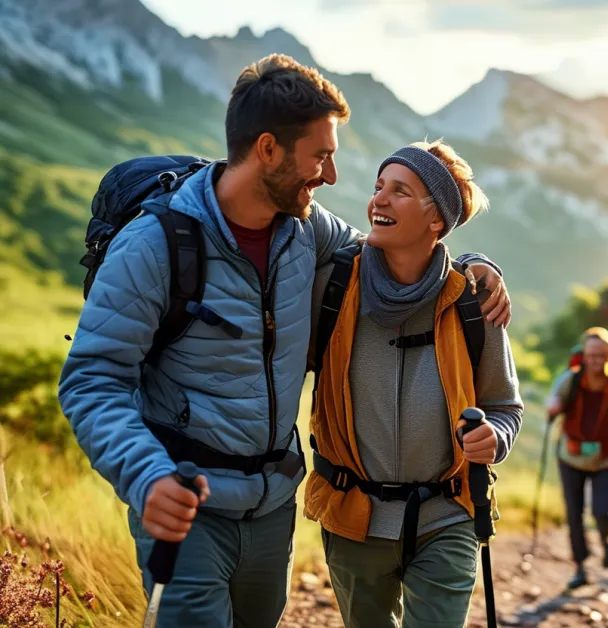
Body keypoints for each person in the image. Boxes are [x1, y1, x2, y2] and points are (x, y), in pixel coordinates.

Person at [57, 54, 511, 627]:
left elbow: (395, 256)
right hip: (186, 501)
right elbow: (91, 381)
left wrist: (473, 266)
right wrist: (146, 475)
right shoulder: (154, 246)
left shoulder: (307, 229)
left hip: (273, 510)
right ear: (269, 150)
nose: (331, 177)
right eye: (321, 157)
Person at [303, 139, 524, 628]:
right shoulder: (333, 288)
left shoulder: (472, 301)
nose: (378, 199)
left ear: (436, 219)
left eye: (399, 191)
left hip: (447, 517)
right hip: (354, 517)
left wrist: (496, 436)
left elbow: (505, 406)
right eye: (378, 186)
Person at [546, 327, 608, 589]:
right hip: (571, 457)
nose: (596, 360)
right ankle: (580, 567)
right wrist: (553, 409)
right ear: (584, 355)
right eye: (591, 355)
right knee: (574, 515)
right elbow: (553, 402)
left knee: (602, 512)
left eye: (601, 355)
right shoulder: (570, 380)